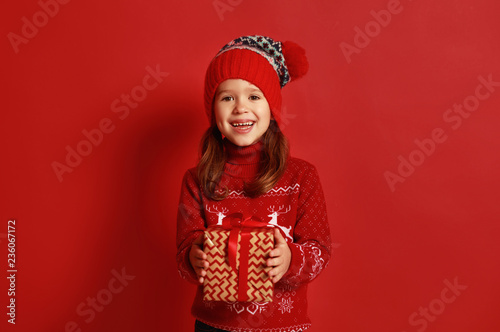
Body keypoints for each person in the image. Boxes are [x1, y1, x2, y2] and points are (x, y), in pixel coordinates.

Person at [176, 35, 332, 332]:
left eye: (253, 96)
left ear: (271, 107)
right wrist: (192, 258)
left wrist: (289, 259)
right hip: (214, 325)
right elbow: (184, 251)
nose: (240, 108)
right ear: (213, 110)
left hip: (283, 326)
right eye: (227, 97)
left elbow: (319, 250)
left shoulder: (301, 177)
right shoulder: (196, 180)